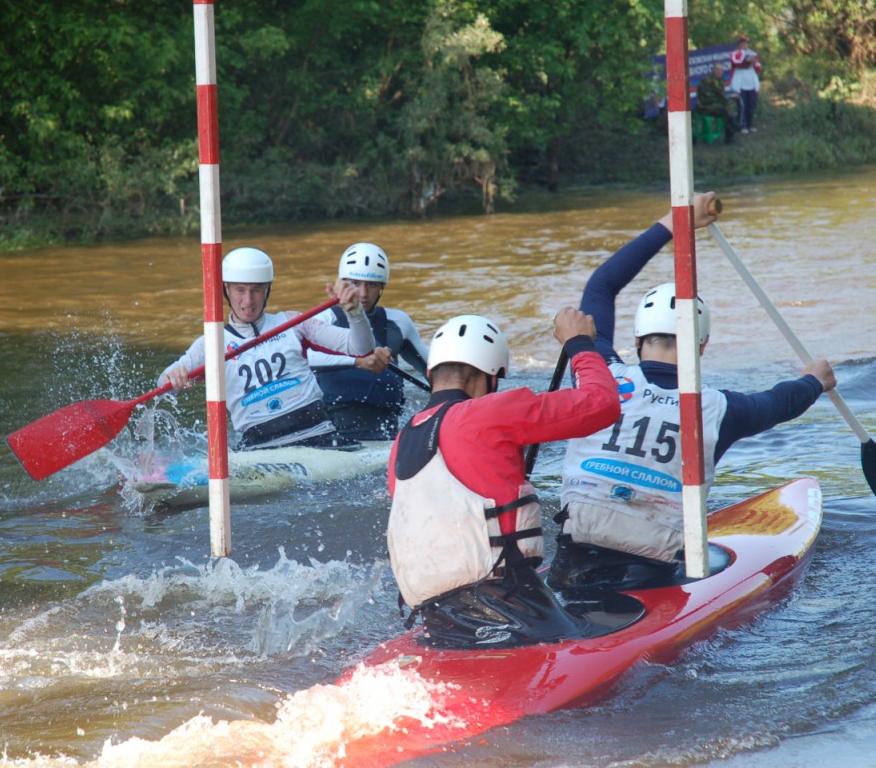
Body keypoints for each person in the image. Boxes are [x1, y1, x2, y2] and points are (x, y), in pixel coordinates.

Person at [548, 193, 836, 594]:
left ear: (637, 339)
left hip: (574, 553)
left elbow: (602, 285)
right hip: (653, 568)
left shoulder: (597, 374)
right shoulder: (720, 409)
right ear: (702, 346)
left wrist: (675, 222)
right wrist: (815, 381)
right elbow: (781, 402)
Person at [386, 310, 623, 649]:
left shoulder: (401, 441)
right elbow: (602, 404)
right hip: (510, 606)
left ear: (430, 372)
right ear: (490, 377)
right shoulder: (489, 411)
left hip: (437, 620)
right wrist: (579, 344)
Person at [158, 246, 376, 451]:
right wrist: (173, 376)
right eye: (240, 290)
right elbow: (164, 385)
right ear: (226, 290)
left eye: (256, 290)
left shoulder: (294, 323)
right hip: (259, 448)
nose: (248, 301)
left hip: (319, 435)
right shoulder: (212, 344)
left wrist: (354, 312)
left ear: (267, 290)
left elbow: (361, 349)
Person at [308, 243, 429, 440]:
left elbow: (435, 373)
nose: (363, 293)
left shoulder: (398, 323)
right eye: (355, 283)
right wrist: (358, 362)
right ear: (342, 284)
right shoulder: (321, 320)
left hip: (385, 426)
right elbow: (300, 359)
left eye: (371, 285)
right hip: (333, 427)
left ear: (382, 287)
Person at [694, 63, 736, 144]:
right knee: (725, 110)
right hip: (704, 107)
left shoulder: (720, 81)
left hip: (715, 105)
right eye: (717, 70)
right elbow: (707, 98)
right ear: (713, 70)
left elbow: (722, 96)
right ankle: (731, 131)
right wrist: (722, 102)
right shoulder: (707, 81)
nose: (719, 72)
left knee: (732, 105)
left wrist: (727, 100)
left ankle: (731, 131)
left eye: (721, 70)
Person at [730, 35, 762, 133]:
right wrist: (746, 60)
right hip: (740, 85)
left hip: (751, 84)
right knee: (742, 106)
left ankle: (750, 124)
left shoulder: (752, 53)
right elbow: (736, 62)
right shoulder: (734, 53)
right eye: (743, 42)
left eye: (746, 42)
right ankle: (742, 125)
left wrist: (754, 62)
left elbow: (758, 68)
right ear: (739, 44)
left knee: (751, 105)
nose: (745, 44)